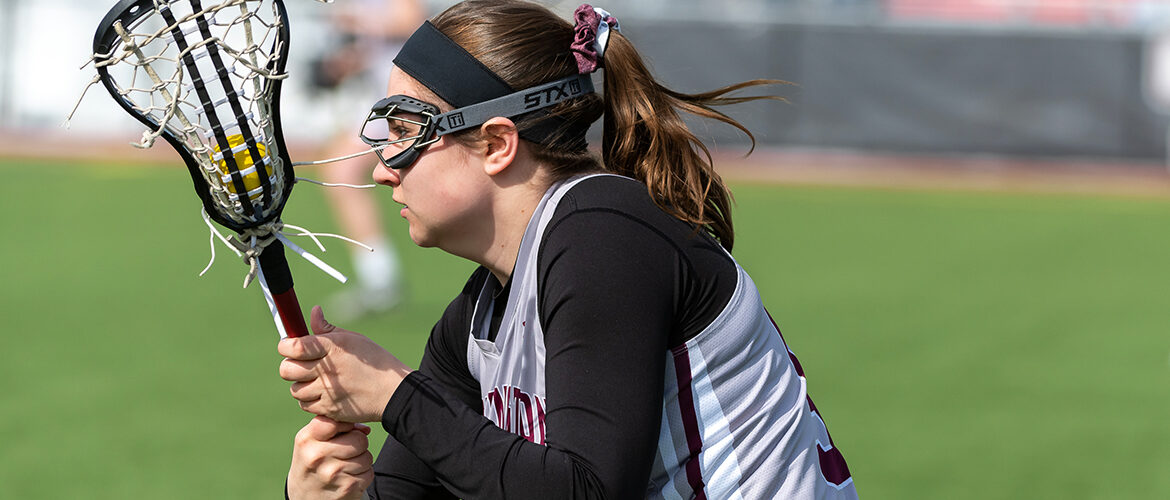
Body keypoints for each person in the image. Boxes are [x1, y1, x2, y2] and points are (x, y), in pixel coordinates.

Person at [278, 1, 858, 498]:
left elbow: (589, 490)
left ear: (497, 143)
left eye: (407, 133)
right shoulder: (476, 317)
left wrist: (396, 396)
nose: (383, 169)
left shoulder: (605, 235)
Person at [309, 0, 426, 321]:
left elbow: (412, 22)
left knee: (342, 171)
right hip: (386, 100)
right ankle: (379, 278)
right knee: (339, 172)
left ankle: (380, 279)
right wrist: (345, 64)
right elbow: (379, 48)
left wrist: (356, 20)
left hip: (408, 100)